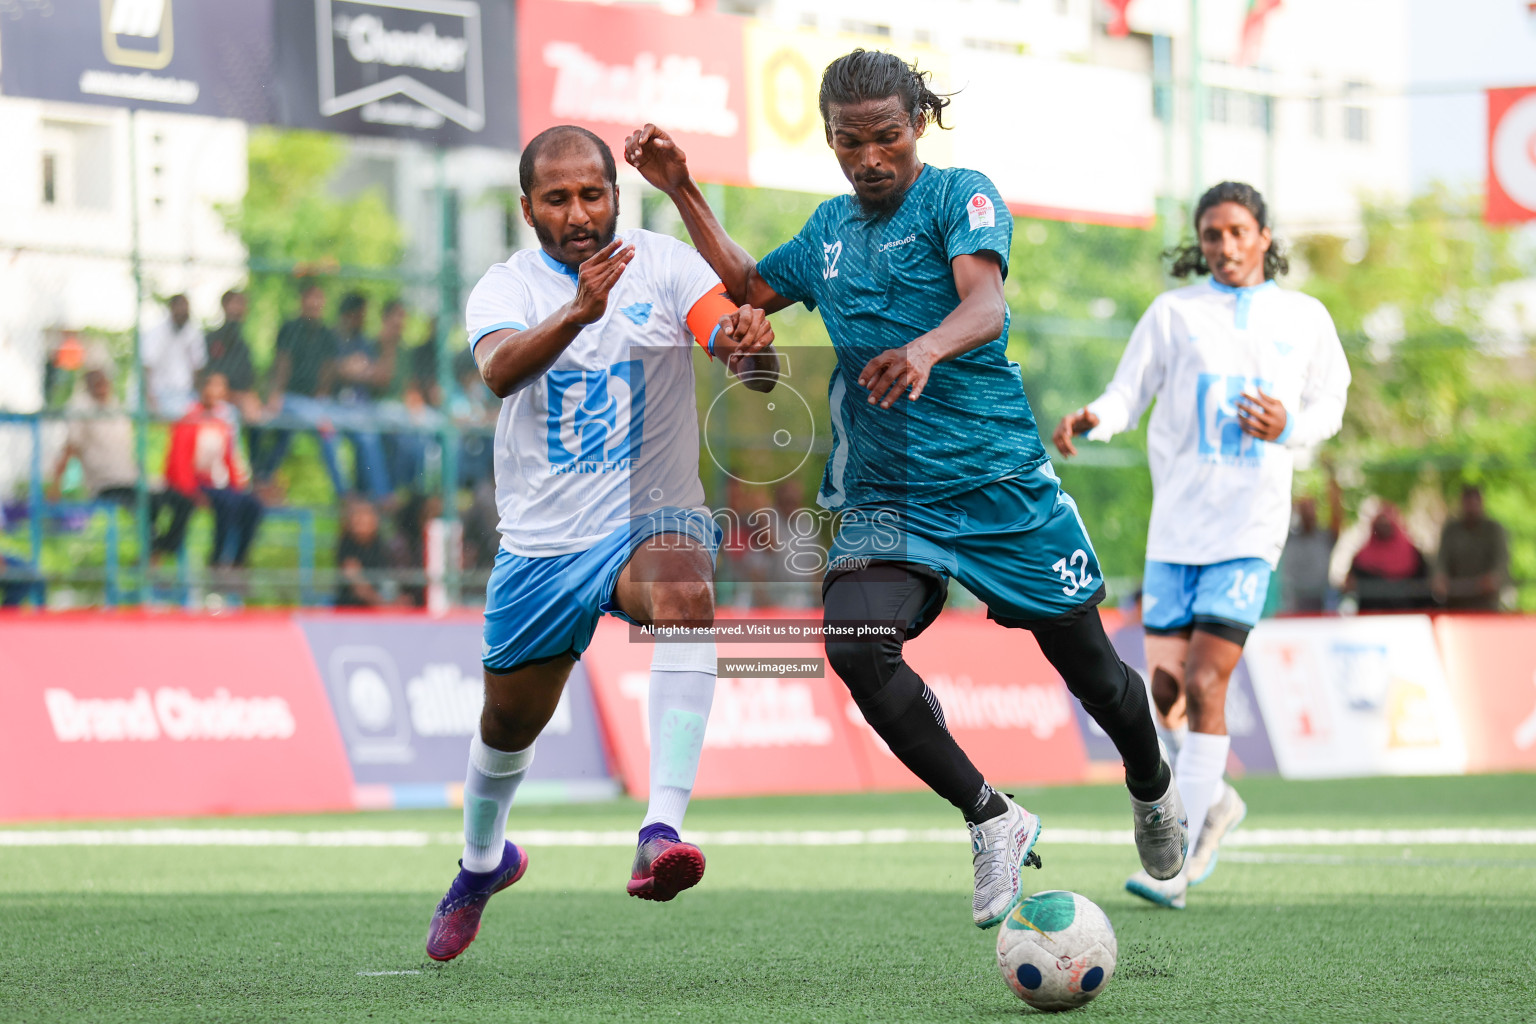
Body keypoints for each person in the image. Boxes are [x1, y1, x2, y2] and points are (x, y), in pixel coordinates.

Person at [627, 48, 1186, 931]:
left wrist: (925, 348)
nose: (870, 158)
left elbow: (986, 307)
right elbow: (746, 287)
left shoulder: (961, 194)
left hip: (999, 484)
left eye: (886, 137)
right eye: (851, 143)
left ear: (915, 125)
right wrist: (683, 186)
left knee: (1099, 681)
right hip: (891, 497)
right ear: (831, 141)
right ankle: (994, 817)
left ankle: (1154, 789)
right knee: (854, 644)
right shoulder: (827, 232)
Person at [425, 124, 778, 962]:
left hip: (649, 519)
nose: (579, 212)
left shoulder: (663, 263)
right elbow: (500, 370)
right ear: (528, 208)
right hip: (543, 543)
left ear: (616, 196)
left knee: (688, 591)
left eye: (594, 193)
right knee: (507, 727)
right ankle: (482, 863)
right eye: (558, 198)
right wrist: (580, 309)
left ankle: (661, 830)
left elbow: (745, 359)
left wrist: (749, 348)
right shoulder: (503, 287)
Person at [1053, 180, 1351, 910]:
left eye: (1238, 231)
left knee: (1208, 683)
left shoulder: (1303, 318)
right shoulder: (1174, 313)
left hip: (1249, 529)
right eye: (1212, 234)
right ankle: (1215, 799)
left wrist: (1288, 426)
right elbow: (1130, 392)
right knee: (1164, 695)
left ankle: (1177, 864)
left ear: (1265, 236)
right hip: (1176, 528)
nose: (1224, 246)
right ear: (1200, 241)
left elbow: (1330, 406)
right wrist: (1096, 416)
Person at [157, 371, 265, 572]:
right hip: (196, 483)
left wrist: (239, 486)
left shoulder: (221, 423)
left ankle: (238, 561)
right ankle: (217, 560)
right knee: (226, 504)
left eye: (219, 387)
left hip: (218, 482)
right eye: (210, 386)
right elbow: (179, 460)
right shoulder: (189, 419)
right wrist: (191, 491)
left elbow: (228, 459)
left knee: (252, 505)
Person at [253, 282, 349, 498]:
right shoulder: (290, 328)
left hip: (315, 403)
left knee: (330, 432)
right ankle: (262, 478)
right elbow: (282, 363)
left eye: (319, 299)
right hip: (290, 399)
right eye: (311, 298)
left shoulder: (327, 334)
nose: (315, 304)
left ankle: (344, 493)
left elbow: (327, 368)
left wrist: (322, 396)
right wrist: (275, 395)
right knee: (280, 429)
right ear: (302, 301)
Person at [331, 291, 392, 500]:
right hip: (336, 404)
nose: (364, 318)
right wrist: (353, 369)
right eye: (361, 313)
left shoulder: (364, 340)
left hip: (364, 405)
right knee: (367, 435)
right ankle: (380, 496)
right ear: (350, 314)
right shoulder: (334, 337)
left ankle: (370, 495)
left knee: (399, 428)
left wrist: (359, 369)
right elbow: (337, 370)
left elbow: (378, 375)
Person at [49, 368, 139, 505]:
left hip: (129, 479)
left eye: (104, 383)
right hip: (106, 483)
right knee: (145, 502)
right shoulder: (83, 410)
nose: (103, 389)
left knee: (174, 498)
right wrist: (56, 485)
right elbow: (70, 448)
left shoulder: (114, 408)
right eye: (97, 384)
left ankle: (151, 526)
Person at [1434, 485, 1509, 611]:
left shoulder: (1493, 530)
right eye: (1467, 503)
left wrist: (1494, 577)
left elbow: (1502, 561)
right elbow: (1441, 560)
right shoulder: (1451, 530)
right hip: (1455, 602)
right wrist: (1439, 577)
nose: (1471, 508)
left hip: (1486, 603)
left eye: (1474, 503)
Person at [1346, 503, 1430, 611]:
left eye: (1386, 523)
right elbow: (1350, 584)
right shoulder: (1362, 557)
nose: (1383, 526)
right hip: (1373, 615)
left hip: (1406, 615)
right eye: (1380, 523)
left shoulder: (1413, 554)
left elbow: (1424, 584)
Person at [1280, 475, 1342, 614]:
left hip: (1321, 599)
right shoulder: (1288, 537)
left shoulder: (1325, 537)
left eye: (1311, 507)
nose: (1308, 511)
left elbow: (1337, 514)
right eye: (1304, 508)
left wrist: (1332, 477)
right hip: (1293, 600)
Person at [140, 293, 206, 418]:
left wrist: (199, 398)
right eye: (179, 307)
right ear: (171, 308)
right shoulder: (156, 333)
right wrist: (150, 398)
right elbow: (146, 366)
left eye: (185, 308)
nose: (183, 311)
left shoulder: (193, 333)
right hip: (158, 392)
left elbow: (198, 367)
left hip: (185, 392)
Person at [204, 290, 261, 421]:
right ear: (224, 306)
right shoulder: (214, 338)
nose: (239, 308)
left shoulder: (244, 343)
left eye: (242, 304)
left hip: (242, 400)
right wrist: (236, 397)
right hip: (221, 399)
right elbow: (213, 379)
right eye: (236, 303)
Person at [334, 498, 389, 607]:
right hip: (353, 608)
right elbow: (357, 583)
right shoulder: (346, 546)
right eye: (357, 517)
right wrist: (381, 604)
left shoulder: (381, 545)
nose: (361, 521)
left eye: (365, 516)